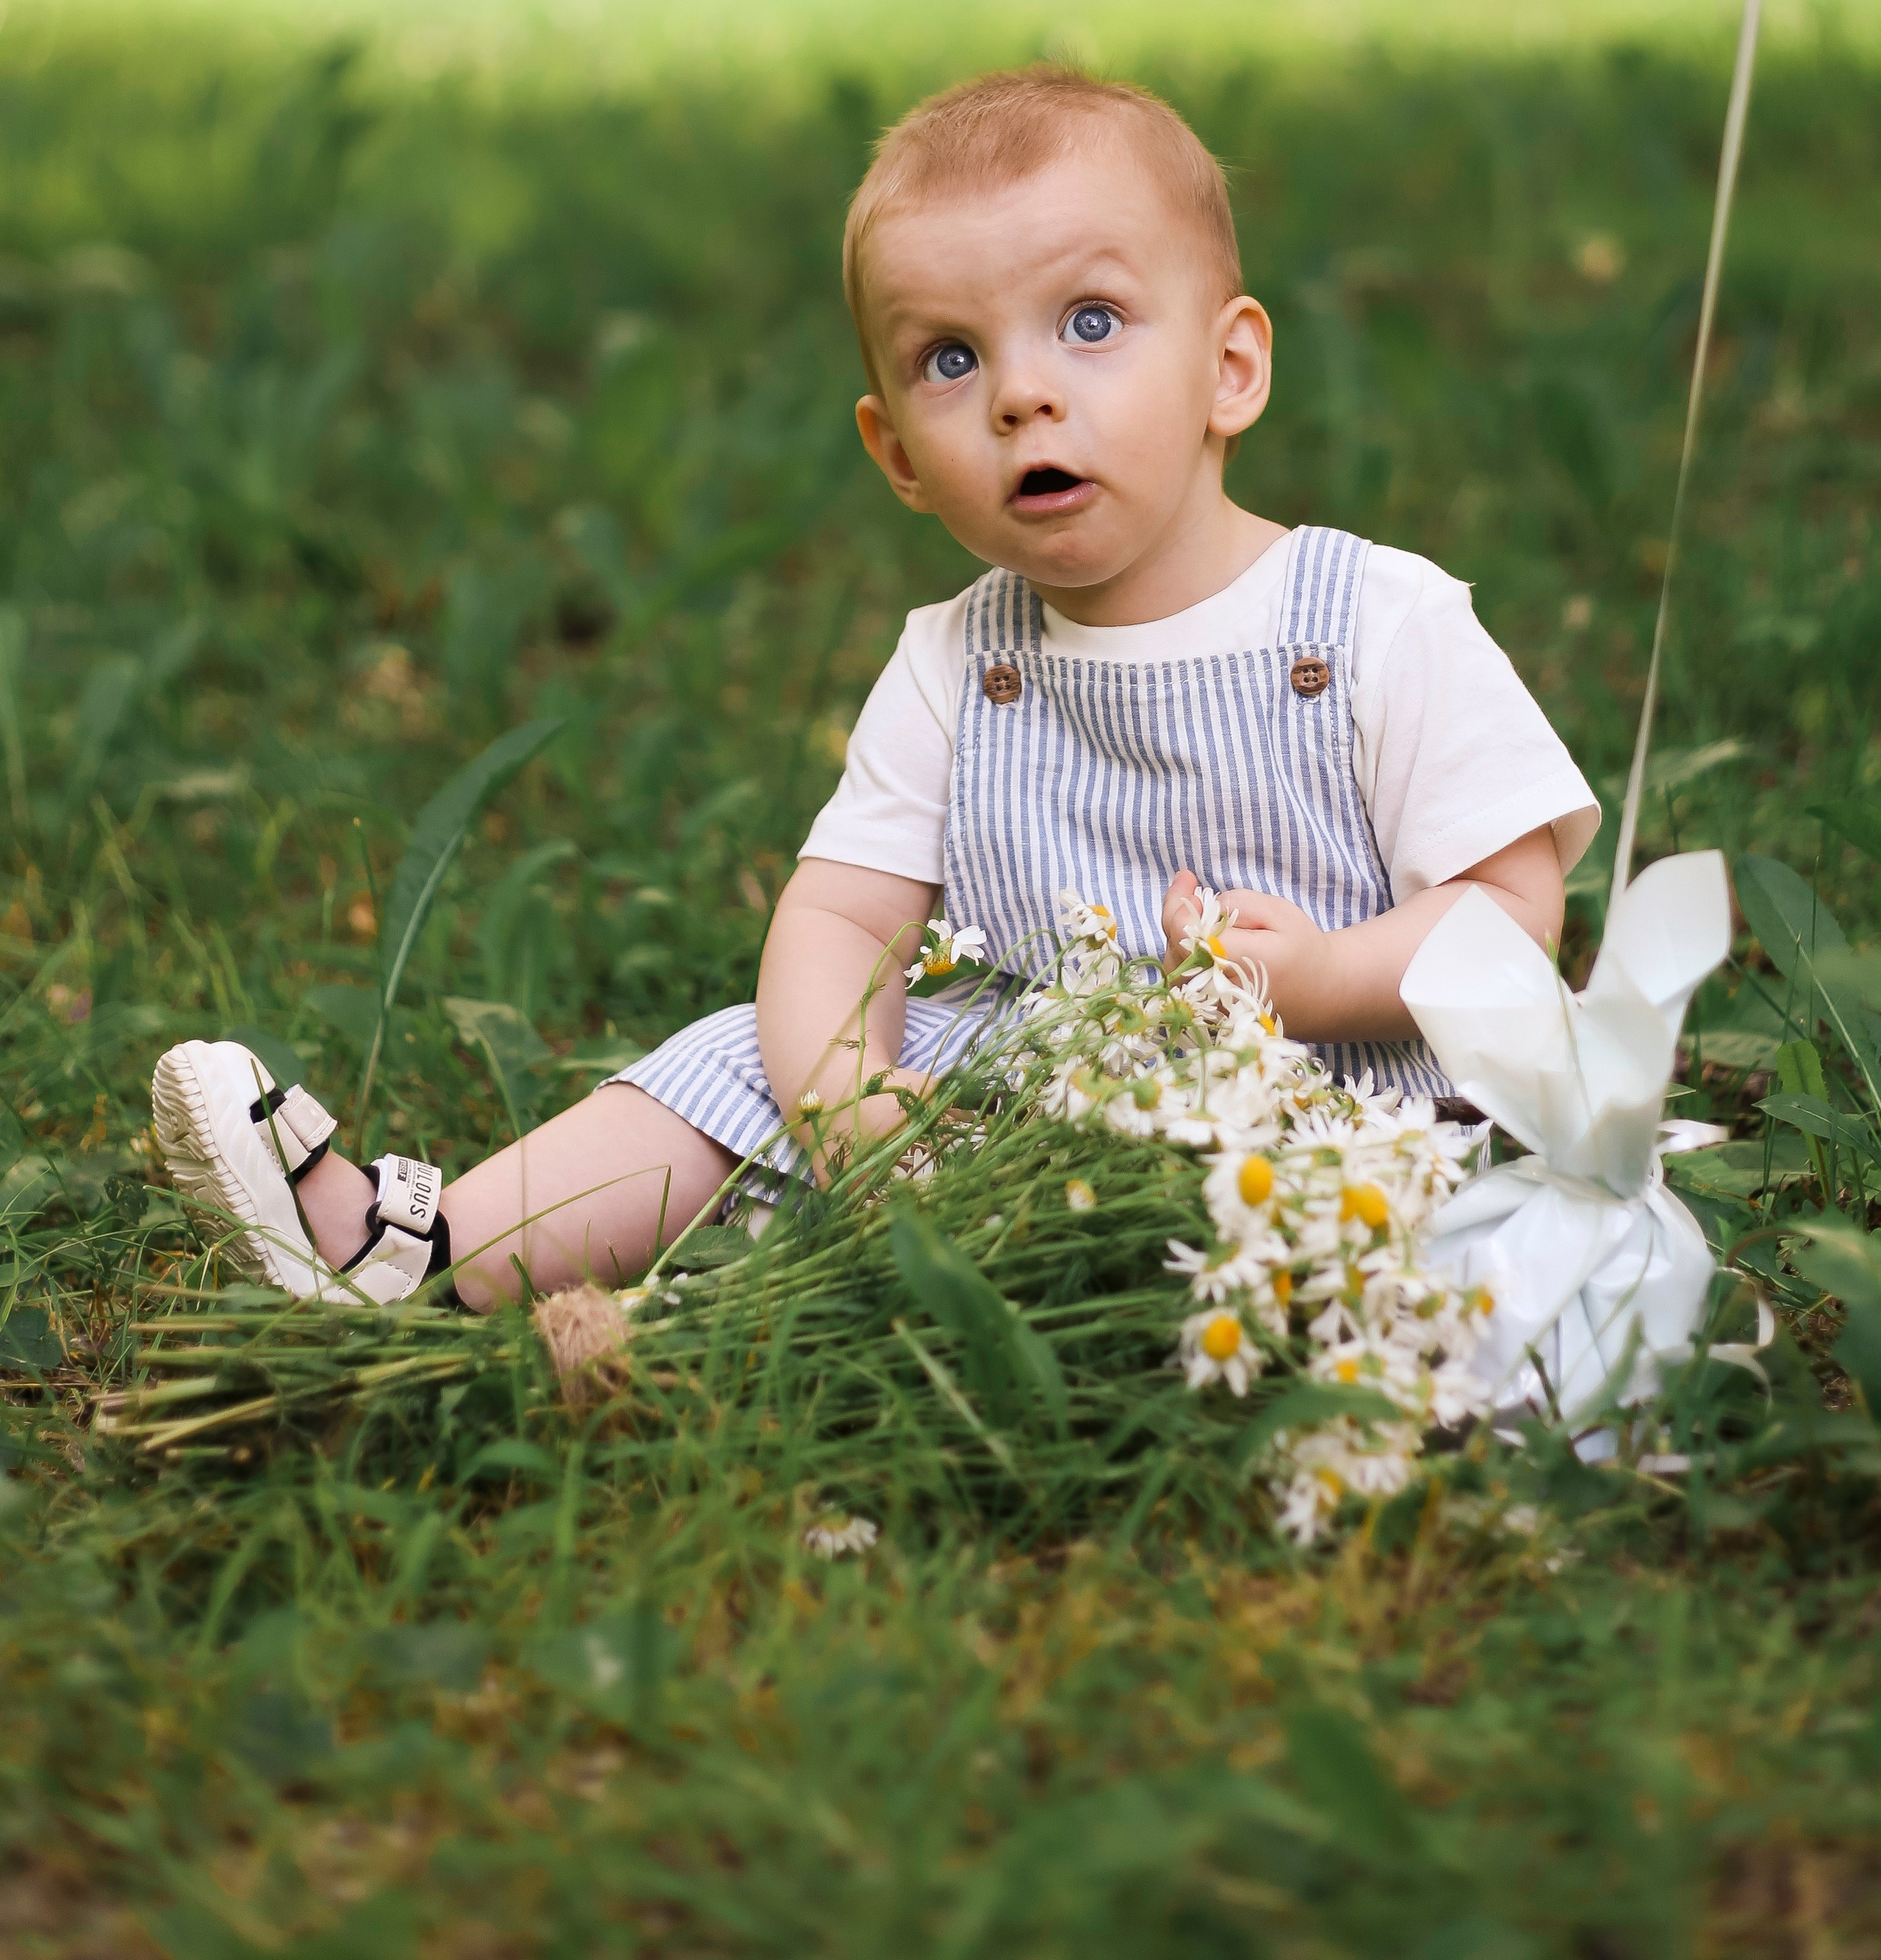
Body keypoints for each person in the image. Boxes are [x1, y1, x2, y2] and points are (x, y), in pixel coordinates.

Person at [153, 66, 1597, 1313]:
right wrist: (844, 1095)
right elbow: (844, 913)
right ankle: (423, 1252)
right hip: (1021, 1101)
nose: (1022, 394)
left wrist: (1325, 980)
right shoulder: (959, 657)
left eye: (1087, 322)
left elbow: (1510, 912)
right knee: (734, 1060)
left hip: (1317, 1097)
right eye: (950, 359)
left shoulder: (1374, 620)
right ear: (897, 453)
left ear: (1229, 369)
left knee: (1429, 1194)